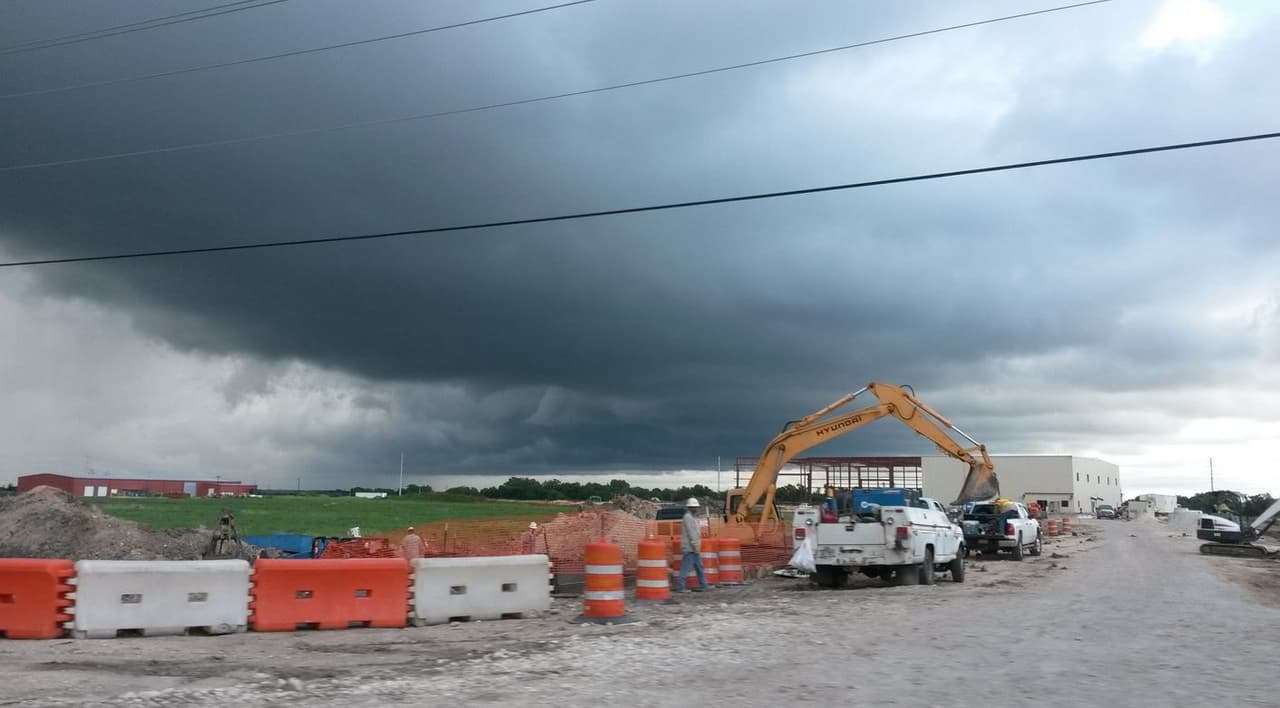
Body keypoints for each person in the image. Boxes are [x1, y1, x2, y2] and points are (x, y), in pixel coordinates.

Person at [676, 498, 710, 592]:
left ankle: (704, 585)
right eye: (694, 507)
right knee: (686, 567)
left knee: (699, 567)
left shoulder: (692, 517)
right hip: (690, 548)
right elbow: (692, 533)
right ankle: (680, 587)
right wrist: (696, 546)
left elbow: (695, 533)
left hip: (693, 548)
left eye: (696, 507)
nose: (696, 509)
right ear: (690, 507)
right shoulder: (688, 517)